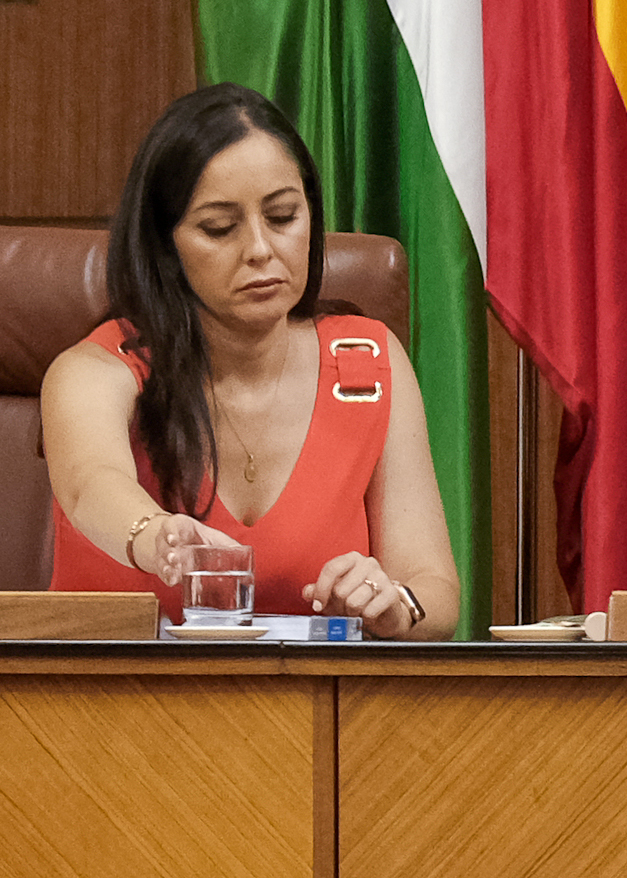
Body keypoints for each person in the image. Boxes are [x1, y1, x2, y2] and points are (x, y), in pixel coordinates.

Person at [43, 84, 459, 636]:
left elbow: (433, 590)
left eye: (283, 216)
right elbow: (90, 484)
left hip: (309, 709)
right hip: (102, 708)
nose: (261, 249)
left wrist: (391, 603)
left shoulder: (367, 365)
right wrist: (155, 536)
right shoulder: (93, 371)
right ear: (165, 246)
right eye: (220, 227)